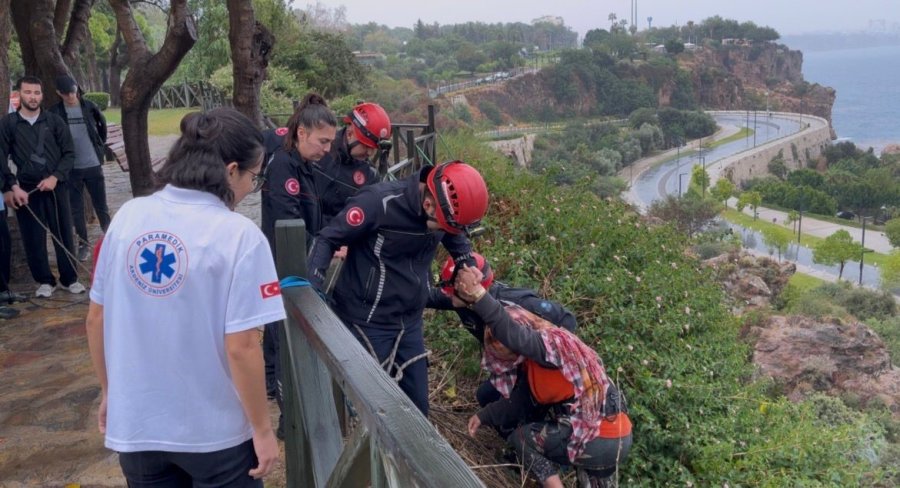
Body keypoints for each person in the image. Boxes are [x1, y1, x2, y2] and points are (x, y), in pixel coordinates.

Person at [86, 108, 282, 486]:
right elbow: (242, 346)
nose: (249, 188)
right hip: (215, 434)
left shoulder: (128, 217)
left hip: (139, 428)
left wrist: (111, 391)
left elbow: (97, 318)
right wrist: (261, 428)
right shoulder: (239, 236)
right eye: (253, 178)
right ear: (230, 170)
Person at [307, 160, 490, 416]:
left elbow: (455, 235)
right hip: (368, 318)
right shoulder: (377, 203)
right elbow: (328, 238)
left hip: (410, 320)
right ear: (428, 204)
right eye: (442, 226)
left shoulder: (444, 214)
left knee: (417, 410)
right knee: (368, 410)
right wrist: (313, 288)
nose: (445, 233)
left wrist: (467, 264)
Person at [456, 266, 632, 488]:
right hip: (618, 436)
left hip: (596, 436)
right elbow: (520, 401)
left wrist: (479, 296)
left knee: (521, 439)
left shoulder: (548, 347)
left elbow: (515, 335)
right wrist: (484, 415)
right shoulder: (551, 355)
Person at [259, 93, 336, 422]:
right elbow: (288, 224)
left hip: (292, 263)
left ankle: (276, 389)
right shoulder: (284, 168)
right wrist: (324, 246)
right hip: (282, 264)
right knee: (282, 332)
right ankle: (286, 412)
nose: (327, 149)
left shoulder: (303, 164)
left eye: (331, 142)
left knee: (280, 329)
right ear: (301, 133)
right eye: (323, 141)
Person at [428, 253, 577, 406]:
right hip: (512, 367)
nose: (446, 295)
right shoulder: (461, 301)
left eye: (451, 291)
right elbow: (428, 297)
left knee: (529, 401)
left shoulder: (516, 303)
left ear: (468, 290)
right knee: (486, 397)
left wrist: (542, 359)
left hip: (539, 366)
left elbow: (567, 319)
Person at [0, 76, 83, 298]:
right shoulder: (8, 124)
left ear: (42, 95)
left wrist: (56, 177)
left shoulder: (55, 122)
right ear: (20, 94)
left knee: (64, 233)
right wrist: (11, 186)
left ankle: (70, 278)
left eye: (37, 93)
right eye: (28, 92)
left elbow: (69, 153)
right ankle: (45, 280)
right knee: (33, 237)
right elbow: (1, 158)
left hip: (56, 187)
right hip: (26, 190)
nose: (33, 97)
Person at [49, 75, 110, 262]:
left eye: (73, 92)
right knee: (76, 208)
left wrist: (99, 147)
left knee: (101, 205)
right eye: (67, 94)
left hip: (92, 165)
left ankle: (110, 238)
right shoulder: (55, 112)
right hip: (71, 169)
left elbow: (102, 126)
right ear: (59, 93)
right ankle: (83, 243)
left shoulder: (89, 107)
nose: (71, 96)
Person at [314, 101, 391, 224]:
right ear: (350, 134)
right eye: (366, 146)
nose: (370, 153)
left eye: (374, 148)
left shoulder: (370, 173)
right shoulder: (319, 154)